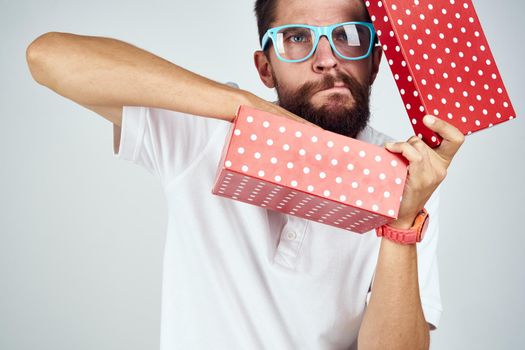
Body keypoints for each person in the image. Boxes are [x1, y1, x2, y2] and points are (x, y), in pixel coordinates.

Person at [25, 0, 464, 348]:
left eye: (349, 37)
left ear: (376, 61)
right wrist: (248, 110)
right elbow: (48, 57)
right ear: (264, 68)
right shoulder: (206, 131)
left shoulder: (409, 176)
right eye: (296, 38)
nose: (327, 59)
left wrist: (401, 223)